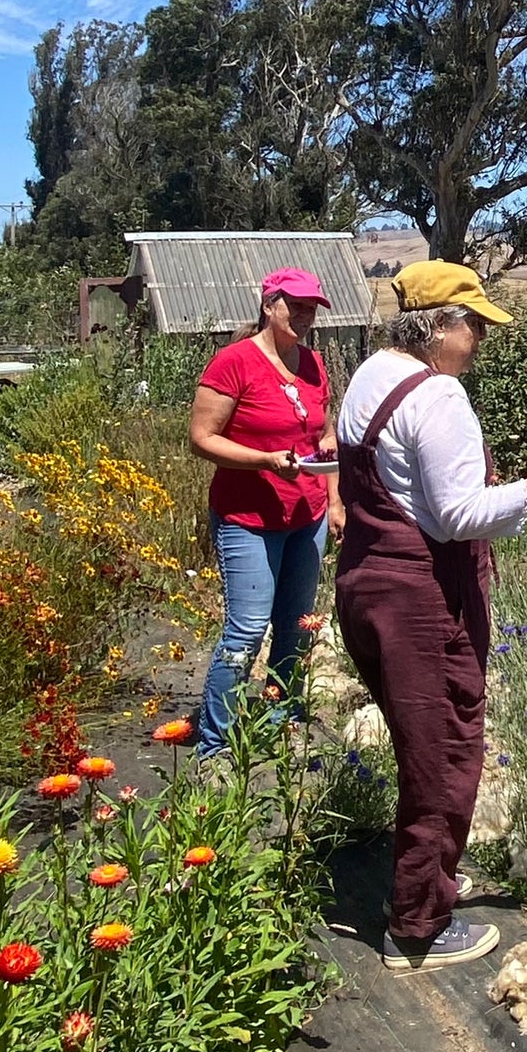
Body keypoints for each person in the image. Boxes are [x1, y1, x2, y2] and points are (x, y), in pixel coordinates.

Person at [335, 261, 527, 972]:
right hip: (420, 602)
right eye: (473, 326)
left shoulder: (372, 374)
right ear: (437, 326)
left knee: (419, 748)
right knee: (444, 756)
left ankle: (422, 879)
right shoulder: (438, 398)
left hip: (366, 587)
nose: (479, 342)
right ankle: (418, 929)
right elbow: (461, 517)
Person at [189, 268, 343, 758]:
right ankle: (214, 743)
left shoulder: (315, 365)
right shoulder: (233, 363)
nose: (304, 315)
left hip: (308, 515)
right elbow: (202, 439)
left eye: (311, 307)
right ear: (268, 305)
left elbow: (323, 438)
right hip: (247, 518)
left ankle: (281, 719)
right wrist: (266, 461)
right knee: (248, 627)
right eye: (294, 305)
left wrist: (335, 499)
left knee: (297, 622)